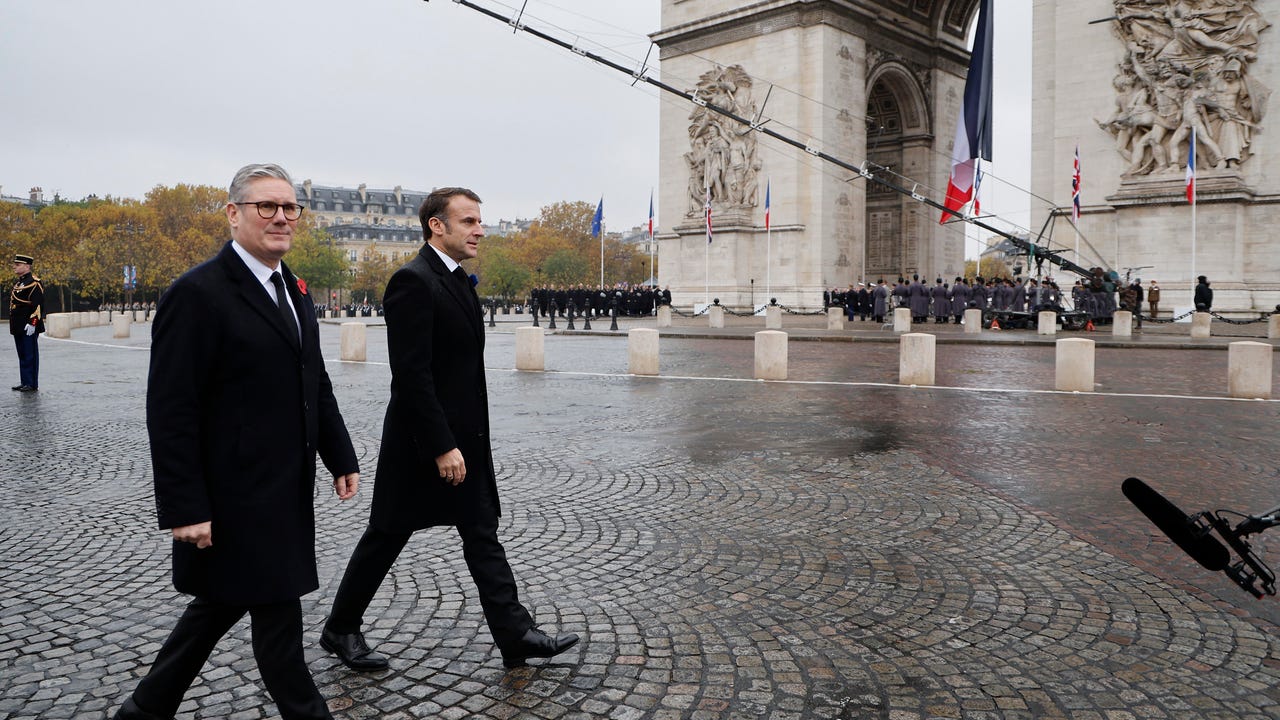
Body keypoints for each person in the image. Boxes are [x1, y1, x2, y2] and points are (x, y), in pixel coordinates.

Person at [111, 163, 361, 720]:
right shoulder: (196, 294)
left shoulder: (294, 288)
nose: (280, 218)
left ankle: (146, 708)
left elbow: (312, 378)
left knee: (223, 602)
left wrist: (339, 454)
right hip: (230, 493)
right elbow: (170, 410)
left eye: (289, 207)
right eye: (265, 207)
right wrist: (184, 506)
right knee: (277, 615)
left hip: (282, 486)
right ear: (233, 214)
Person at [321, 187, 578, 672]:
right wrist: (442, 446)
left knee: (482, 532)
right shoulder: (412, 281)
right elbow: (412, 375)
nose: (479, 229)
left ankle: (514, 633)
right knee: (386, 535)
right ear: (437, 226)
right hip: (422, 444)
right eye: (468, 221)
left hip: (465, 441)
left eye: (480, 221)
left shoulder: (458, 280)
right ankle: (340, 628)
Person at [10, 253, 44, 392]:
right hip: (18, 324)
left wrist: (33, 323)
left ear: (27, 266)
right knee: (22, 353)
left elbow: (38, 305)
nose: (14, 267)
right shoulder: (20, 283)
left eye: (18, 265)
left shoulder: (34, 283)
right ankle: (25, 381)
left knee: (30, 354)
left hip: (29, 325)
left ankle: (31, 383)